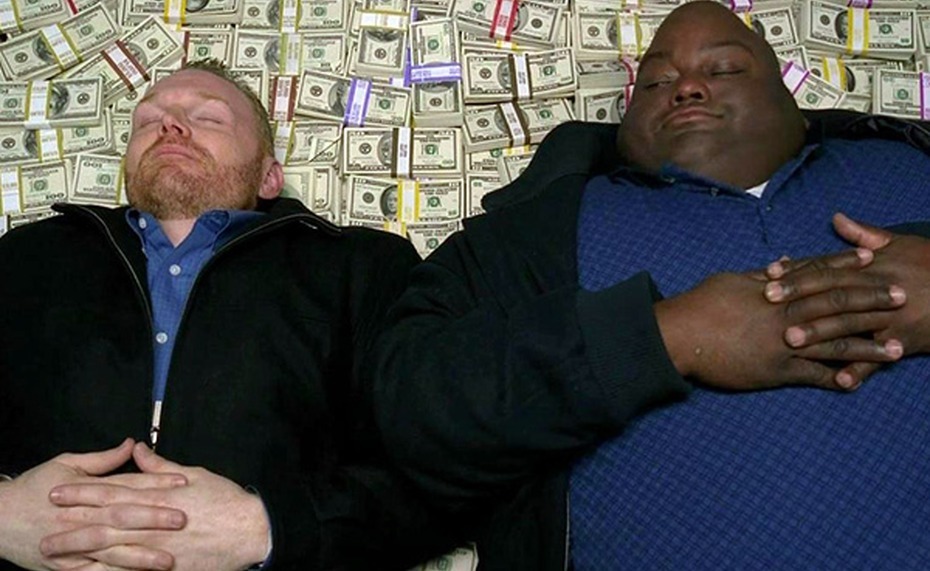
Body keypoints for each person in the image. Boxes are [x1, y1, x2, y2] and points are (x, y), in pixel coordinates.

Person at [373, 3, 930, 569]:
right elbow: (411, 407)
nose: (686, 87)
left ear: (795, 106)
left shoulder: (909, 165)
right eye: (657, 82)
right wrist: (665, 337)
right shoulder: (535, 233)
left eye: (725, 69)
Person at [0, 59, 454, 571]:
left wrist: (264, 528)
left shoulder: (363, 267)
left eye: (208, 118)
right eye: (147, 120)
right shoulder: (24, 258)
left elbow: (441, 470)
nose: (170, 125)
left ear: (269, 176)